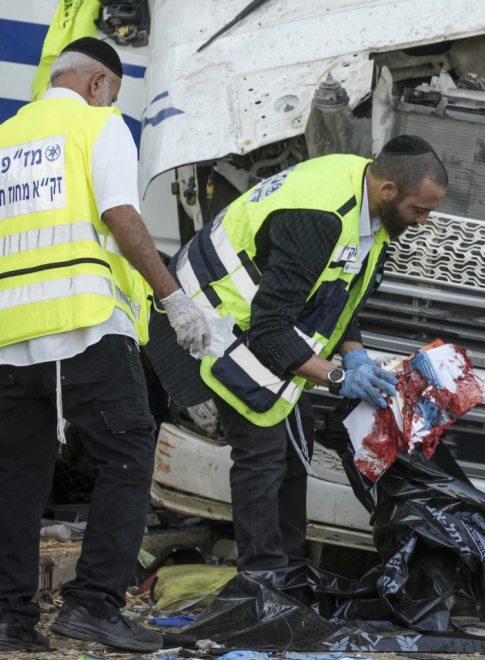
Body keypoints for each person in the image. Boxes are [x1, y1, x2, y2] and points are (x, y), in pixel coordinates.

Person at [0, 37, 210, 653]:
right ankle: (93, 605)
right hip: (84, 328)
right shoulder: (99, 124)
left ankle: (10, 621)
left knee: (14, 483)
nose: (111, 99)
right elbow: (119, 210)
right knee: (128, 453)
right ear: (97, 84)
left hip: (4, 348)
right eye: (111, 90)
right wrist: (173, 297)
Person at [167, 136, 448, 571]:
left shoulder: (369, 202)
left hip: (254, 316)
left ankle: (289, 570)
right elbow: (269, 329)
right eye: (420, 210)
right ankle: (263, 580)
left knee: (297, 441)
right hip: (211, 315)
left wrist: (355, 355)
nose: (425, 221)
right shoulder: (321, 216)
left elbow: (339, 294)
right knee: (261, 449)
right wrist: (337, 377)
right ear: (389, 190)